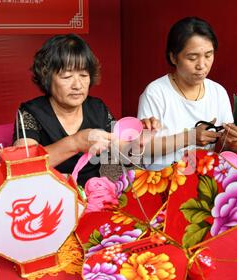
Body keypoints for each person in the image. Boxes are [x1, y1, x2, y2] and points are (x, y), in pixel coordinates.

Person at [14, 34, 157, 185]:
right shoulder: (30, 112)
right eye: (67, 76)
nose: (77, 85)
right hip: (52, 199)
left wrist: (137, 141)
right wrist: (74, 143)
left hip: (98, 195)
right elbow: (23, 166)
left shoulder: (97, 108)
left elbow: (120, 150)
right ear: (47, 77)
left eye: (83, 75)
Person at [137, 16, 237, 168]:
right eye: (192, 58)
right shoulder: (156, 93)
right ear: (174, 57)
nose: (202, 65)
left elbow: (226, 149)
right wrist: (190, 137)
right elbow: (143, 148)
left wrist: (234, 142)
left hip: (204, 176)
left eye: (208, 55)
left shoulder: (218, 92)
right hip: (162, 179)